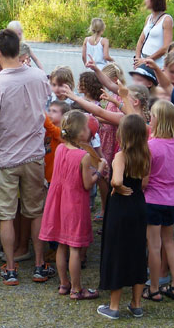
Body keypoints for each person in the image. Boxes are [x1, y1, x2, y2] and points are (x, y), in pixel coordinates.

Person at [0, 28, 52, 286]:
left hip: (6, 158)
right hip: (33, 155)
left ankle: (10, 268)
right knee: (35, 211)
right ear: (19, 49)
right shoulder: (40, 77)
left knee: (6, 215)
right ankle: (40, 265)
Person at [39, 110, 107, 300]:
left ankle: (64, 284)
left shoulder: (60, 148)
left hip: (58, 204)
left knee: (61, 246)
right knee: (75, 249)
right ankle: (77, 289)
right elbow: (87, 184)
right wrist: (100, 171)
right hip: (74, 205)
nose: (88, 130)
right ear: (80, 132)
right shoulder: (83, 156)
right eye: (86, 127)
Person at [97, 114, 150, 320]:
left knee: (117, 252)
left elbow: (117, 180)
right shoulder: (146, 154)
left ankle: (114, 306)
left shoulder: (121, 155)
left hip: (121, 207)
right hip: (138, 203)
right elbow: (144, 181)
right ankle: (136, 304)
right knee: (137, 252)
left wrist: (116, 187)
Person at [143, 100, 174, 302]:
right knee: (169, 241)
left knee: (153, 245)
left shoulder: (151, 146)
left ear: (157, 119)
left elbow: (144, 180)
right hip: (171, 200)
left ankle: (153, 287)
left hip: (152, 199)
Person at [134, 0, 173, 68]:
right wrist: (137, 59)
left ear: (154, 0)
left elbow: (166, 47)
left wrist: (147, 60)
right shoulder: (148, 18)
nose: (145, 1)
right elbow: (141, 41)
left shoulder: (167, 19)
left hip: (156, 63)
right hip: (143, 60)